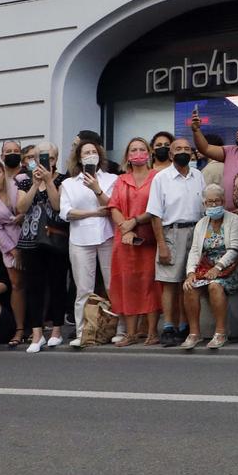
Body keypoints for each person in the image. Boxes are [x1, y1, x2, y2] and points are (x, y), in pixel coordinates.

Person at [55, 138, 118, 348]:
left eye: (93, 151)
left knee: (112, 285)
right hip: (81, 240)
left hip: (107, 235)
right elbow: (66, 212)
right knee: (83, 288)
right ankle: (82, 332)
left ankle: (121, 329)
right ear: (79, 159)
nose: (90, 155)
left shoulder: (111, 179)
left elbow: (112, 207)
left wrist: (96, 188)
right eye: (85, 153)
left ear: (99, 155)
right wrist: (93, 213)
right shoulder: (69, 183)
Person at [145, 140, 205, 347]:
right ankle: (169, 326)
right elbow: (155, 215)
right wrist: (162, 245)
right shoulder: (161, 178)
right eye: (178, 149)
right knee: (170, 283)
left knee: (189, 283)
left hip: (196, 232)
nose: (183, 152)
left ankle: (186, 325)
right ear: (170, 155)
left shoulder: (198, 176)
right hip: (172, 232)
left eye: (187, 149)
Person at [105, 138, 161, 347]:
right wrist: (125, 227)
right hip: (125, 240)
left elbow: (157, 206)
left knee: (150, 283)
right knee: (127, 284)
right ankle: (130, 333)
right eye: (133, 150)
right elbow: (114, 206)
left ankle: (152, 332)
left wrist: (134, 222)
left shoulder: (157, 177)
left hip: (149, 237)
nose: (138, 153)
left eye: (141, 149)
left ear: (149, 153)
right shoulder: (121, 180)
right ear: (128, 155)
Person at [182, 171, 238, 350]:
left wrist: (218, 267)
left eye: (216, 201)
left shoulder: (234, 220)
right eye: (209, 202)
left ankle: (220, 332)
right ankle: (194, 333)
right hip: (207, 267)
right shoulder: (202, 224)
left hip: (232, 268)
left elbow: (235, 249)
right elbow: (195, 250)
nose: (213, 204)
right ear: (204, 204)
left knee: (215, 285)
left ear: (223, 202)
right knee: (189, 287)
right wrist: (190, 273)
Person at [16, 148, 68, 352]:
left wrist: (48, 182)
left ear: (55, 160)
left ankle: (56, 330)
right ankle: (37, 333)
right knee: (34, 287)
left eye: (50, 158)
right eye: (39, 158)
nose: (45, 162)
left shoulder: (64, 180)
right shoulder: (26, 180)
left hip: (56, 240)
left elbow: (57, 206)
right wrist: (36, 183)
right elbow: (21, 207)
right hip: (30, 241)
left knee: (57, 284)